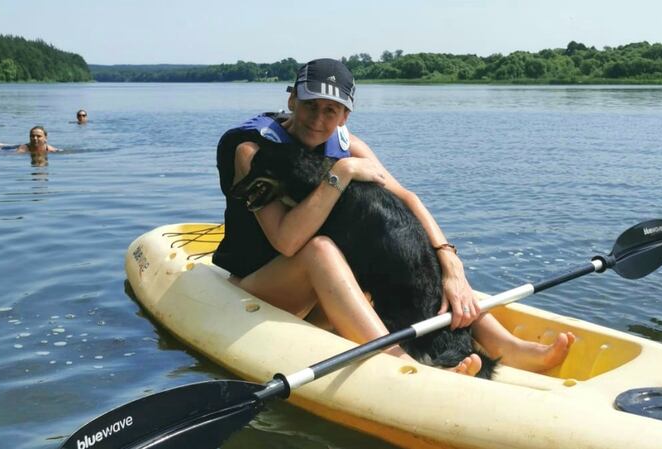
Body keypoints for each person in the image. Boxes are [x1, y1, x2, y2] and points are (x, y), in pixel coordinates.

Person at [213, 58, 574, 376]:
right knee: (320, 249)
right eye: (311, 106)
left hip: (327, 286)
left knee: (407, 240)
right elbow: (287, 242)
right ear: (292, 100)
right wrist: (341, 174)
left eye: (331, 110)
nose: (318, 120)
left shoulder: (349, 147)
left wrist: (450, 263)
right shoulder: (253, 151)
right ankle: (400, 360)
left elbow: (407, 199)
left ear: (345, 116)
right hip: (263, 284)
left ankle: (508, 347)